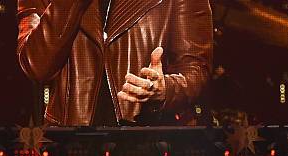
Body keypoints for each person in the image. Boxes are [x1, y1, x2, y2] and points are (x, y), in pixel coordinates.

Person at [17, 0, 213, 126]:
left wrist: (165, 89)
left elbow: (196, 70)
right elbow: (37, 66)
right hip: (69, 148)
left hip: (148, 146)